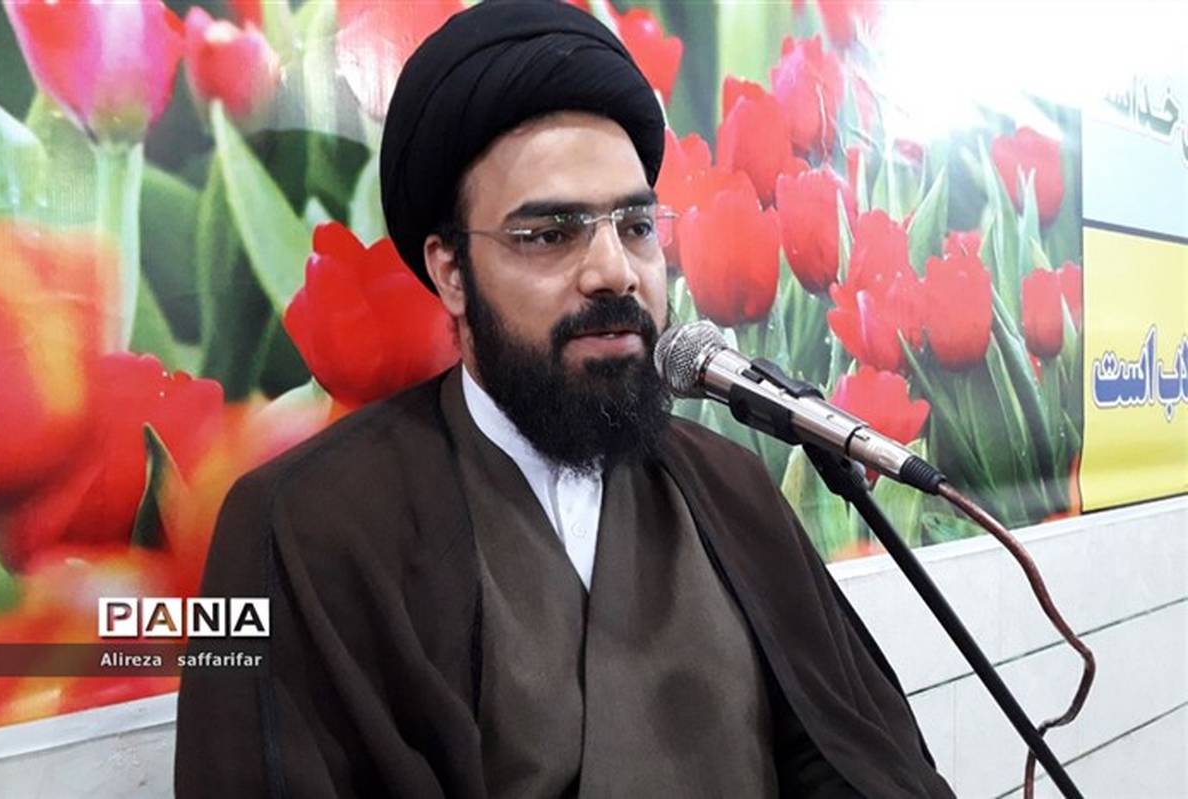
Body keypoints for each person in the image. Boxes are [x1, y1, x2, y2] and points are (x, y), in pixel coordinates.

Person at [175, 2, 955, 796]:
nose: (616, 271)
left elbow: (852, 759)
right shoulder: (295, 525)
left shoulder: (731, 486)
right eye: (551, 234)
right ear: (450, 271)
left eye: (636, 226)